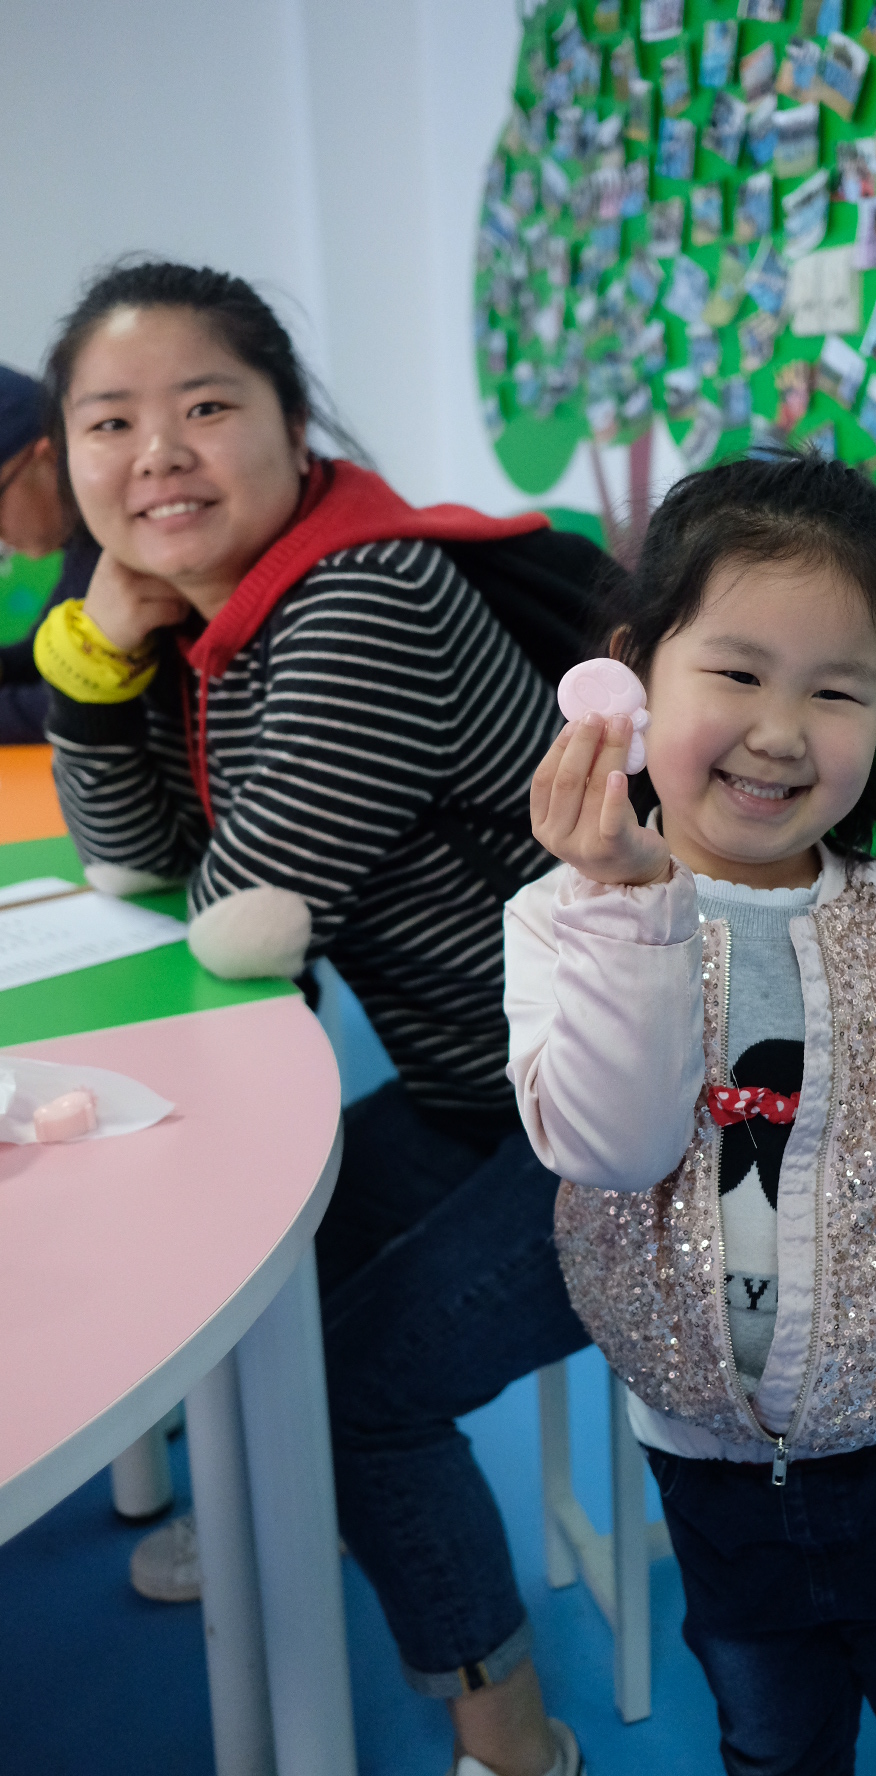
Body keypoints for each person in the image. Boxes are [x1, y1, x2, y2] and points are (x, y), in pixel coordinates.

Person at [35, 258, 597, 1776]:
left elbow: (235, 916)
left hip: (640, 1120)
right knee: (233, 1260)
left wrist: (109, 663)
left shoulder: (362, 600)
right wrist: (95, 658)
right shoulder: (224, 620)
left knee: (354, 1387)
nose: (158, 452)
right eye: (111, 421)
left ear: (294, 428)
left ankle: (515, 1743)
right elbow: (137, 862)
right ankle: (280, 1524)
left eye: (206, 407)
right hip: (488, 1093)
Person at [506, 453, 876, 1776]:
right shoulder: (562, 922)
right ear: (633, 678)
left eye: (836, 691)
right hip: (717, 1482)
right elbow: (616, 1149)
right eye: (736, 672)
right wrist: (626, 905)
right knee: (774, 1754)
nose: (780, 731)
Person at [0, 364, 98, 742]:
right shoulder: (84, 548)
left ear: (50, 456)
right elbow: (51, 655)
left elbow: (94, 698)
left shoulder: (134, 548)